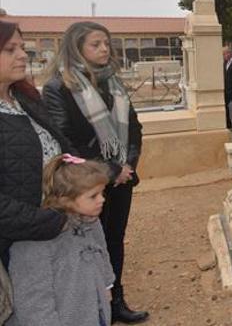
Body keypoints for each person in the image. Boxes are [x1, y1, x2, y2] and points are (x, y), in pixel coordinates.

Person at [42, 21, 149, 324]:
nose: (104, 49)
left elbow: (135, 128)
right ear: (76, 48)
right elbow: (65, 140)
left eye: (106, 44)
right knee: (87, 244)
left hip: (120, 181)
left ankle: (116, 301)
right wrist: (110, 170)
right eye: (96, 44)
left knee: (114, 240)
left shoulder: (112, 81)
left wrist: (128, 165)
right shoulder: (58, 87)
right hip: (85, 184)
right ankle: (90, 305)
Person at [0, 21, 68, 305]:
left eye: (22, 48)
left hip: (48, 236)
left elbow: (60, 148)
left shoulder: (25, 98)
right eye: (9, 49)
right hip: (14, 247)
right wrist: (52, 221)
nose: (22, 55)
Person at [7, 154, 115, 326]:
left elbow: (102, 252)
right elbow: (33, 303)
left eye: (102, 192)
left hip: (94, 312)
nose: (102, 199)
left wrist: (107, 284)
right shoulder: (34, 242)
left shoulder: (91, 222)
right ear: (66, 199)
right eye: (93, 196)